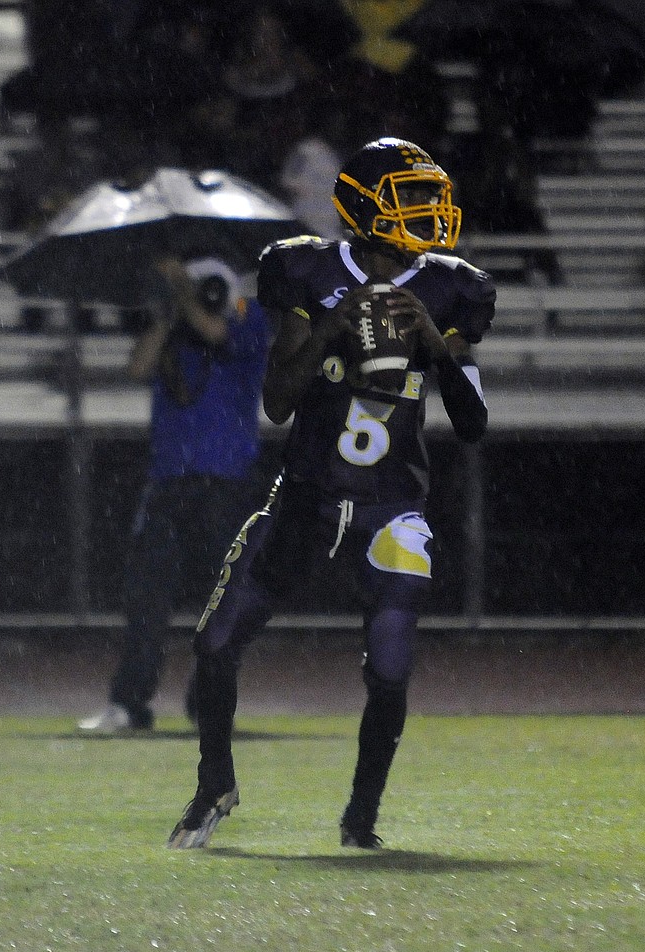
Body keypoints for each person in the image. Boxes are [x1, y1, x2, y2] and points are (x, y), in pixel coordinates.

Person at [166, 137, 495, 850]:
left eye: (429, 197)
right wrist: (329, 332)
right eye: (411, 198)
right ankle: (214, 785)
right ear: (365, 206)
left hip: (391, 506)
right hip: (306, 497)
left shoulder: (451, 289)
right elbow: (278, 401)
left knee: (391, 668)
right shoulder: (307, 272)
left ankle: (360, 819)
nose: (427, 212)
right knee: (215, 642)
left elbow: (473, 424)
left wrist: (434, 344)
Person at [78, 254, 271, 733]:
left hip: (227, 484)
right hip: (169, 482)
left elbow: (218, 333)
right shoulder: (174, 334)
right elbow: (137, 367)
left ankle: (208, 704)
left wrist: (182, 289)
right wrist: (168, 315)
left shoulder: (249, 321)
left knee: (221, 603)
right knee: (147, 598)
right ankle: (129, 703)